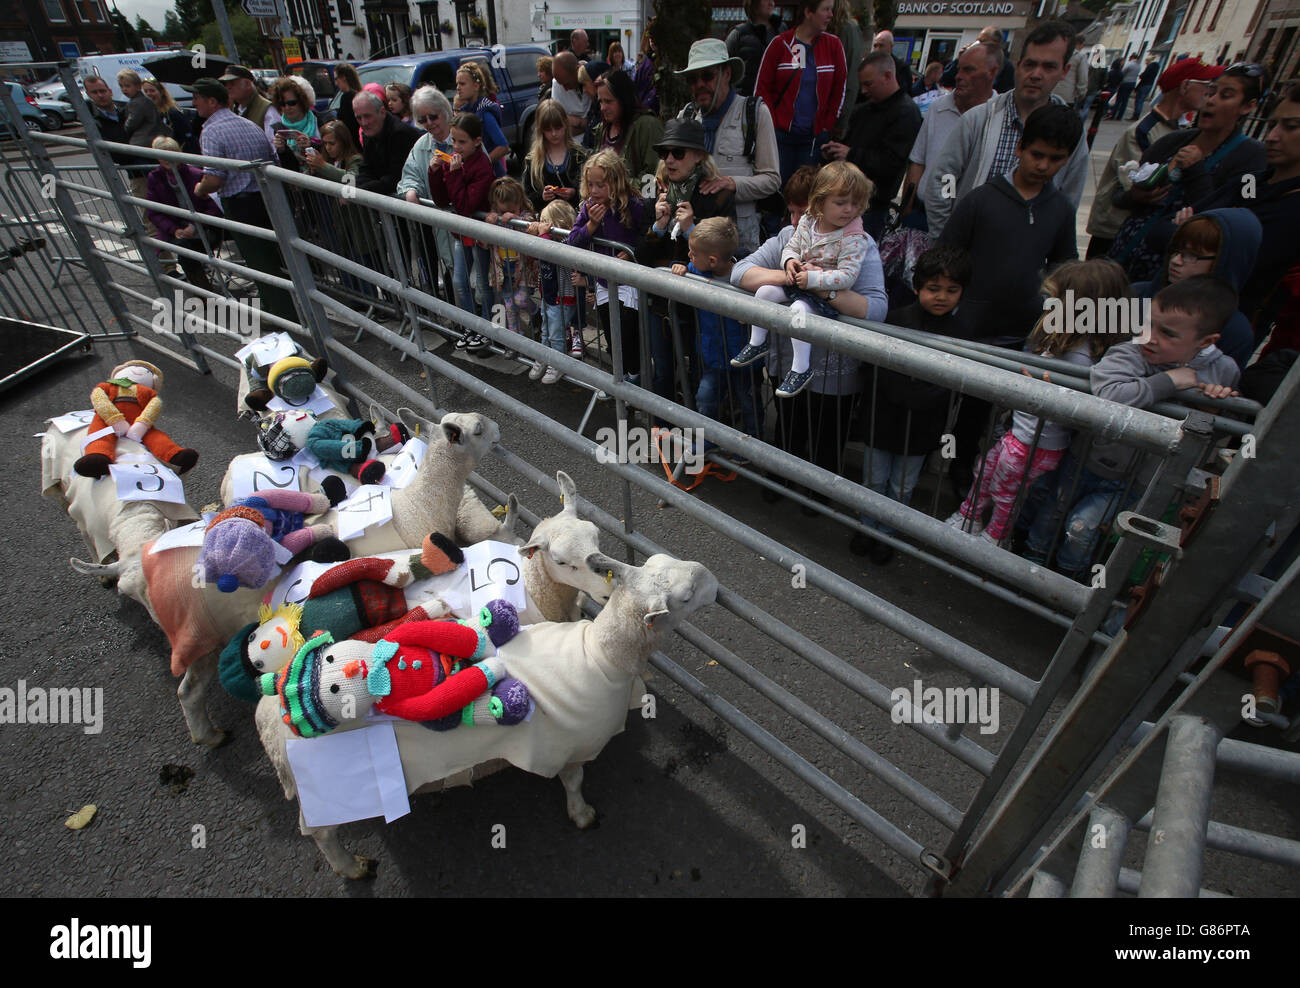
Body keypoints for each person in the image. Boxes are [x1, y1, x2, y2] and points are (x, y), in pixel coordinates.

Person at [1022, 277, 1241, 578]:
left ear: (1205, 342)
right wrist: (1170, 382)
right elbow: (1110, 396)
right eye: (1148, 323)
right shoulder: (1131, 351)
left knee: (1082, 527)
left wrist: (1214, 405)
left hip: (1140, 478)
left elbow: (1218, 427)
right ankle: (1029, 564)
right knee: (1053, 511)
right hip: (1086, 459)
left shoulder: (1223, 370)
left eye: (1167, 333)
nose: (1149, 336)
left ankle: (1068, 580)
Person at [731, 165, 887, 507]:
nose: (798, 218)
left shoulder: (859, 242)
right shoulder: (791, 235)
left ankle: (819, 496)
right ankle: (781, 478)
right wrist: (789, 276)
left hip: (835, 366)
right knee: (788, 426)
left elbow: (876, 308)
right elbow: (740, 273)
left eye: (804, 210)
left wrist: (822, 290)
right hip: (785, 359)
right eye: (794, 210)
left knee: (828, 435)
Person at [946, 259, 1127, 547]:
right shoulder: (1062, 341)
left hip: (1036, 443)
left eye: (1055, 300)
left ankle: (994, 539)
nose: (1047, 305)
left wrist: (1037, 389)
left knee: (1005, 492)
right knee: (986, 471)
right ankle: (968, 516)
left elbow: (1066, 405)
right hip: (1020, 434)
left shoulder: (1078, 357)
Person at [853, 245, 973, 563]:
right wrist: (910, 394)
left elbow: (953, 384)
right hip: (883, 420)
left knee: (902, 486)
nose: (941, 297)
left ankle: (888, 535)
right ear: (917, 286)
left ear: (962, 292)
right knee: (874, 480)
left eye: (951, 290)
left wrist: (919, 396)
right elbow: (875, 367)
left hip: (921, 429)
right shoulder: (896, 319)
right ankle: (868, 527)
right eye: (933, 288)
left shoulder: (961, 335)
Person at [921, 20, 1086, 240]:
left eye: (1049, 67)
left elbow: (1069, 198)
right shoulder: (979, 119)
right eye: (1030, 64)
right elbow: (944, 180)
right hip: (966, 251)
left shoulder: (1070, 130)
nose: (1036, 74)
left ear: (1064, 71)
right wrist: (947, 237)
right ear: (1018, 65)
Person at [1108, 62, 1268, 283]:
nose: (1211, 100)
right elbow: (1118, 196)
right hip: (1121, 262)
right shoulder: (1171, 142)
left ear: (1248, 107)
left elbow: (1238, 220)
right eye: (1211, 92)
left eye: (1226, 95)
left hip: (1170, 278)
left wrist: (1196, 171)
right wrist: (1135, 196)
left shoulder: (1252, 158)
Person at [938, 103, 1080, 343]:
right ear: (1019, 148)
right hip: (965, 330)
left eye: (1055, 159)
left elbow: (1064, 270)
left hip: (1023, 332)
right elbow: (944, 256)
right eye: (1037, 154)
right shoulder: (980, 200)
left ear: (1067, 160)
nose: (1043, 165)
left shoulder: (1062, 210)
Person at [731, 161, 871, 398]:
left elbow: (847, 276)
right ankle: (758, 343)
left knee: (798, 310)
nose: (848, 209)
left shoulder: (855, 238)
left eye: (854, 204)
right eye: (841, 203)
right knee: (765, 292)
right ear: (820, 203)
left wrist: (815, 280)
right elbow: (791, 247)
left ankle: (800, 369)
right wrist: (789, 264)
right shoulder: (807, 222)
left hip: (821, 294)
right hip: (800, 282)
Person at [1190, 79, 1300, 339]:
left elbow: (1228, 260)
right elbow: (1171, 231)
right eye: (1272, 125)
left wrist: (1198, 233)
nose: (1272, 137)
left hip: (1221, 329)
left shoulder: (1293, 208)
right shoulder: (1251, 182)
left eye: (1291, 127)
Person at [1085, 58, 1223, 259]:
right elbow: (1141, 187)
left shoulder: (1182, 130)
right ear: (1184, 86)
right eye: (1206, 86)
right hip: (1116, 230)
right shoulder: (1143, 131)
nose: (1209, 95)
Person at [186, 77, 297, 324]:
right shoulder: (248, 124)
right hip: (265, 200)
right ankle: (275, 307)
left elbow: (214, 179)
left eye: (197, 98)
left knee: (260, 261)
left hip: (242, 203)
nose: (194, 103)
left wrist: (200, 188)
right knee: (269, 257)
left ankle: (285, 316)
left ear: (212, 101)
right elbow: (273, 162)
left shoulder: (212, 131)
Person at [642, 118, 737, 401]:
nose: (670, 159)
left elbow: (722, 256)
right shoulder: (659, 195)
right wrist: (658, 227)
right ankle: (662, 431)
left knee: (702, 374)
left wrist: (690, 230)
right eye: (664, 153)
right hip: (661, 304)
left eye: (678, 153)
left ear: (698, 156)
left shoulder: (717, 197)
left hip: (700, 308)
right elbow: (641, 257)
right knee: (663, 372)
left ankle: (701, 439)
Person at [674, 38, 780, 256]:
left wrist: (731, 184)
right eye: (693, 79)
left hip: (739, 239)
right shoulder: (686, 116)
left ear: (727, 74)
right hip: (692, 239)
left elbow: (772, 180)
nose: (699, 84)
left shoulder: (755, 113)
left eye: (707, 76)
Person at [1131, 209, 1262, 370]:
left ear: (1226, 260)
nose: (1176, 261)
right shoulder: (1135, 294)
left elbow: (1221, 382)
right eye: (1176, 250)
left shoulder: (1236, 331)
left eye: (1192, 255)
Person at [565, 150, 651, 379]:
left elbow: (646, 238)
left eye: (600, 185)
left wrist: (632, 253)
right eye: (590, 184)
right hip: (604, 284)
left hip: (628, 282)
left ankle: (635, 380)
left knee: (628, 334)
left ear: (616, 181)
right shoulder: (588, 207)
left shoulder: (633, 204)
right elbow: (572, 242)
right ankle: (620, 381)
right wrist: (591, 225)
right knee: (612, 338)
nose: (594, 191)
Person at [824, 50, 922, 238]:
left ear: (887, 76)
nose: (864, 91)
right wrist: (834, 152)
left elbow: (891, 163)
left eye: (868, 84)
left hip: (872, 206)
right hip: (843, 197)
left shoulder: (906, 113)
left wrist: (851, 154)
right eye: (862, 85)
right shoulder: (864, 110)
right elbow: (849, 145)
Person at [901, 41, 1000, 225]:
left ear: (992, 72)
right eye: (959, 69)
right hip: (920, 215)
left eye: (969, 70)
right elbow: (918, 161)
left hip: (965, 224)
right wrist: (906, 211)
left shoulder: (1000, 117)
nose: (959, 76)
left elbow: (951, 179)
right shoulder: (938, 107)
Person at [680, 217, 760, 439]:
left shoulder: (748, 276)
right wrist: (677, 269)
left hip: (745, 358)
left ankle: (753, 448)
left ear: (713, 260)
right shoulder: (696, 269)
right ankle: (707, 442)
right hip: (713, 356)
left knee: (749, 403)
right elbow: (682, 268)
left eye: (693, 254)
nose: (689, 257)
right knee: (705, 398)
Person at [756, 0, 847, 185]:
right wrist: (771, 127)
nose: (831, 15)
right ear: (809, 12)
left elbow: (840, 89)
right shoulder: (780, 44)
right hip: (780, 138)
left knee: (805, 194)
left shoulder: (834, 45)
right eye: (826, 10)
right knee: (775, 191)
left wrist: (826, 127)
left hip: (812, 140)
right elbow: (761, 89)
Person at [428, 112, 496, 349]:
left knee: (483, 283)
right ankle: (470, 325)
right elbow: (441, 200)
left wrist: (454, 174)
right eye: (453, 141)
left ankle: (488, 328)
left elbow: (465, 206)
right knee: (459, 282)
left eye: (462, 142)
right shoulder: (456, 160)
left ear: (477, 141)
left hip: (480, 235)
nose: (456, 147)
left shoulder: (482, 166)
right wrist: (435, 173)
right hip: (462, 233)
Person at [398, 86, 457, 299]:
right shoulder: (421, 145)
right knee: (453, 276)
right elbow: (410, 174)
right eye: (422, 120)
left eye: (433, 116)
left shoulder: (463, 136)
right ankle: (463, 326)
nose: (429, 123)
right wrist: (411, 191)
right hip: (443, 231)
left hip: (468, 224)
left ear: (445, 111)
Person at [144, 136, 222, 290]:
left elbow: (214, 207)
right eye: (163, 154)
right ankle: (205, 293)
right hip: (177, 231)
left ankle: (205, 291)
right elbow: (153, 212)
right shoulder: (154, 178)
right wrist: (174, 229)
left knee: (189, 250)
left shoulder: (196, 174)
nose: (168, 158)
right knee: (185, 253)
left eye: (171, 152)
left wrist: (195, 225)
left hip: (204, 227)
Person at [526, 199, 582, 382]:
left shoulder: (566, 243)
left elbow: (550, 253)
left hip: (562, 297)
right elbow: (534, 253)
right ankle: (544, 357)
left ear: (557, 225)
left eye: (544, 221)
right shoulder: (548, 240)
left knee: (557, 333)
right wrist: (535, 237)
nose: (541, 225)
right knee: (546, 330)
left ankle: (558, 364)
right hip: (547, 295)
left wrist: (542, 237)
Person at [483, 176, 538, 351]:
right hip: (502, 270)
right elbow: (483, 242)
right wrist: (489, 223)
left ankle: (537, 312)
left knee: (520, 301)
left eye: (512, 202)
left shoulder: (525, 216)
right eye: (503, 203)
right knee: (509, 306)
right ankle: (515, 343)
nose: (508, 207)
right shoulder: (494, 218)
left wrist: (516, 220)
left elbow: (532, 231)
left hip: (522, 270)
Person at [591, 69, 665, 187]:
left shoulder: (648, 126)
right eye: (600, 102)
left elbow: (654, 178)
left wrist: (616, 186)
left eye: (608, 101)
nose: (603, 108)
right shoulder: (602, 130)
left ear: (623, 99)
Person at [523, 98, 587, 215]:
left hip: (575, 220)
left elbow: (591, 191)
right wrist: (542, 196)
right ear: (541, 130)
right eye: (548, 129)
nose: (554, 134)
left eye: (558, 128)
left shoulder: (578, 155)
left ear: (566, 124)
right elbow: (527, 197)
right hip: (545, 222)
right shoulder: (532, 160)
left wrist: (574, 192)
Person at [354, 90, 422, 196]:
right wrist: (353, 188)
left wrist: (358, 191)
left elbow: (396, 178)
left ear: (382, 112)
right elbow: (366, 169)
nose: (364, 123)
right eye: (359, 118)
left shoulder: (400, 133)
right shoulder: (369, 133)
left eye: (367, 116)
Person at [453, 62, 507, 177]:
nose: (458, 88)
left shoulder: (485, 113)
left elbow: (503, 146)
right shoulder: (465, 110)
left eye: (462, 84)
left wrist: (480, 164)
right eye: (457, 84)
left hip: (491, 176)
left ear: (476, 86)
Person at [727, 0, 779, 99]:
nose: (771, 3)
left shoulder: (782, 31)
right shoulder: (738, 34)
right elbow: (724, 70)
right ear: (753, 5)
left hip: (775, 102)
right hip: (745, 101)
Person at [267, 76, 324, 155]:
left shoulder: (319, 121)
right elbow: (287, 165)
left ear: (302, 101)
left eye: (292, 103)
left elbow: (331, 154)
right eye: (282, 104)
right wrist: (282, 150)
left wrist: (311, 145)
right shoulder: (279, 129)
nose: (287, 108)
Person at [832, 0, 864, 131]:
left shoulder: (847, 30)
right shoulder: (844, 29)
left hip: (834, 117)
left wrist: (840, 120)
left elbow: (850, 79)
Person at [143, 78, 196, 154]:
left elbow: (187, 138)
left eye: (152, 90)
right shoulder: (149, 113)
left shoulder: (172, 113)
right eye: (145, 91)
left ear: (161, 92)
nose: (148, 94)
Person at [220, 65, 279, 131]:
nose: (228, 87)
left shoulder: (267, 110)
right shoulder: (235, 110)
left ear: (247, 84)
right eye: (226, 84)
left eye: (232, 83)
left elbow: (274, 140)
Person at [550, 51, 591, 139]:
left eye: (566, 84)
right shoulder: (557, 83)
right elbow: (558, 123)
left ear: (577, 70)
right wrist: (587, 124)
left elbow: (601, 123)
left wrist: (579, 122)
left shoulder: (593, 77)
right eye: (561, 84)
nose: (565, 89)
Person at [871, 30, 912, 97]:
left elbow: (904, 92)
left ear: (891, 46)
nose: (877, 49)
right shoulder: (869, 65)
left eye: (881, 45)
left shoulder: (901, 68)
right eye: (875, 46)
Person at [1051, 35, 1089, 108]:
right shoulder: (1080, 56)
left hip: (1051, 91)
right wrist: (1082, 93)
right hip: (1067, 95)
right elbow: (1083, 77)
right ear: (1081, 44)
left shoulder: (1059, 52)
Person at [330, 62, 361, 139]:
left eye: (336, 79)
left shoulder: (347, 97)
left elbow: (345, 125)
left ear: (343, 77)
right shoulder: (358, 94)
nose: (336, 83)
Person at [633, 27, 660, 114]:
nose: (652, 41)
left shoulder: (667, 62)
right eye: (650, 38)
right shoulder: (646, 64)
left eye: (654, 37)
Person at [1109, 53, 1141, 120]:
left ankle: (1113, 115)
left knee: (1119, 99)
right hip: (1133, 83)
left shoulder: (1129, 64)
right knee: (1125, 101)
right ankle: (1120, 116)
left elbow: (1122, 72)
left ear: (1132, 57)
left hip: (1125, 83)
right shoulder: (1139, 65)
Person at [1132, 54, 1161, 120]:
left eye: (1146, 61)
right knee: (1141, 100)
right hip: (1150, 85)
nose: (1145, 62)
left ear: (1149, 60)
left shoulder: (1150, 67)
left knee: (1139, 100)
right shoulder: (1156, 67)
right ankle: (1137, 114)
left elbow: (1144, 76)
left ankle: (1136, 115)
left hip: (1144, 85)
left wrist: (1141, 76)